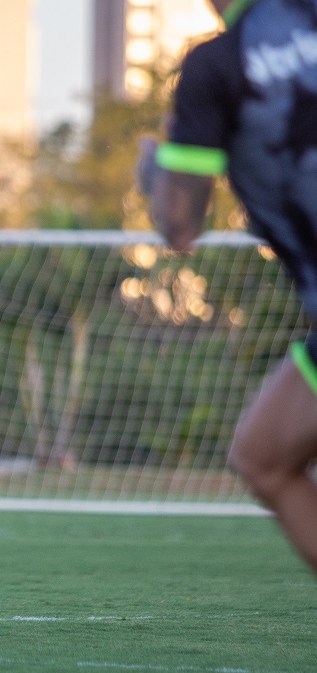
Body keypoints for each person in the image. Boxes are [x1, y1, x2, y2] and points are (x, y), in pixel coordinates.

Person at [137, 0, 317, 576]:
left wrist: (154, 170)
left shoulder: (218, 65)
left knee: (265, 461)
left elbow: (179, 225)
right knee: (264, 452)